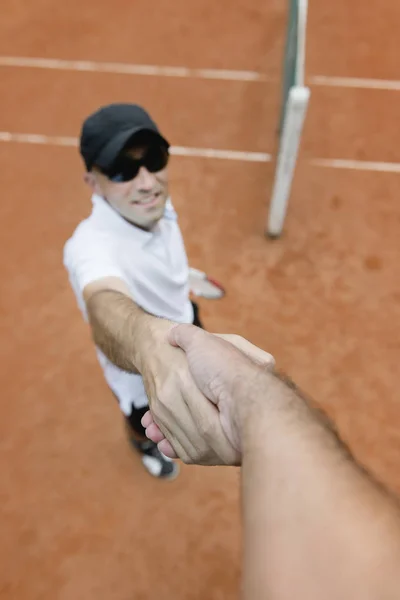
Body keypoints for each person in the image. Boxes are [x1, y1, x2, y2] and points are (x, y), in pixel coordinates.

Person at [141, 325, 400, 599]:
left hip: (180, 337)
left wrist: (243, 388)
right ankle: (142, 443)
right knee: (142, 419)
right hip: (163, 355)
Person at [63, 103, 209, 480]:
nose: (146, 182)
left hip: (184, 319)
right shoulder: (89, 248)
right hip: (141, 372)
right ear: (93, 183)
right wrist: (153, 353)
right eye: (123, 170)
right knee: (143, 423)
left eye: (155, 160)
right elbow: (103, 301)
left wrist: (181, 279)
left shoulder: (150, 201)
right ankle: (141, 444)